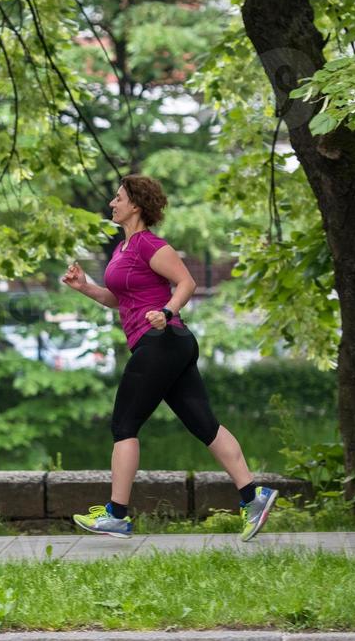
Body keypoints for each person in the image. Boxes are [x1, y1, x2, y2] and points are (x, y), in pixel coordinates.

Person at [61, 174, 277, 540]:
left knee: (124, 426)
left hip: (160, 339)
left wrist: (168, 310)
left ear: (136, 205)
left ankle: (117, 514)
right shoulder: (123, 249)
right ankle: (253, 497)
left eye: (118, 198)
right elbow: (119, 299)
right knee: (204, 424)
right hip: (167, 343)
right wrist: (84, 287)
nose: (112, 203)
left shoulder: (149, 244)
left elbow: (187, 282)